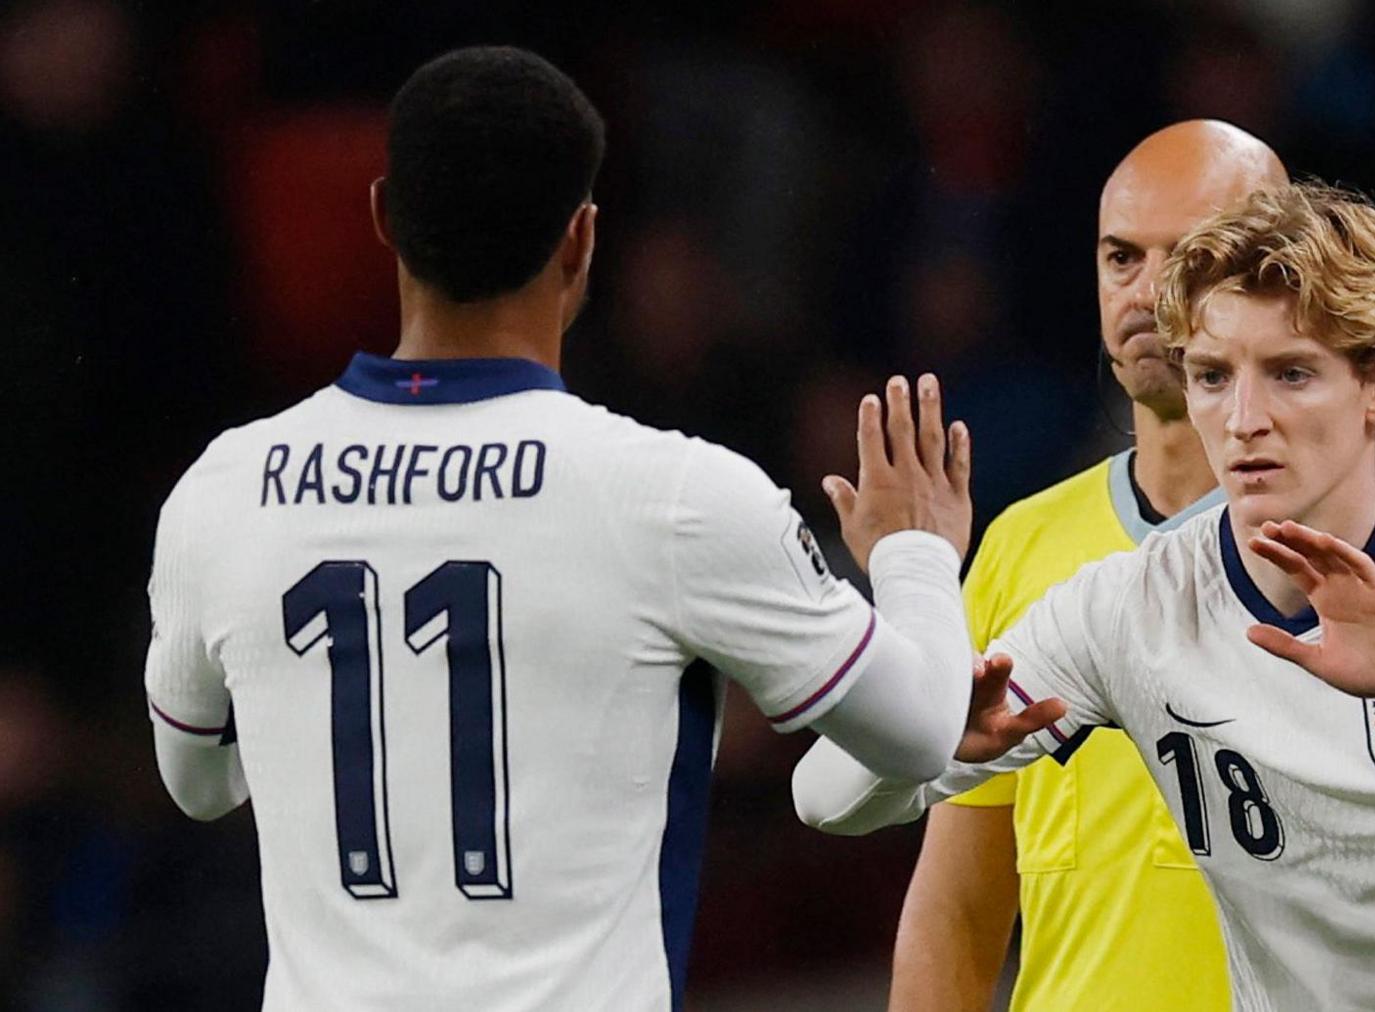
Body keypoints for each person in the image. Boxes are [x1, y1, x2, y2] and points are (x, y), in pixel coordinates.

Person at [143, 46, 1051, 1011]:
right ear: (581, 240)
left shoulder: (226, 487)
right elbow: (917, 731)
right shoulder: (671, 496)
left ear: (381, 217)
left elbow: (195, 783)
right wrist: (914, 548)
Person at [793, 182, 1375, 1009]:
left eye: (1292, 373)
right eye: (1213, 376)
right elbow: (825, 798)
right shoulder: (1134, 608)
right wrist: (930, 731)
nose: (1243, 420)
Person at [890, 120, 1283, 1012]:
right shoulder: (1024, 546)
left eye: (1188, 257)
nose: (1145, 294)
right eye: (1120, 258)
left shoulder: (1362, 549)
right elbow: (958, 906)